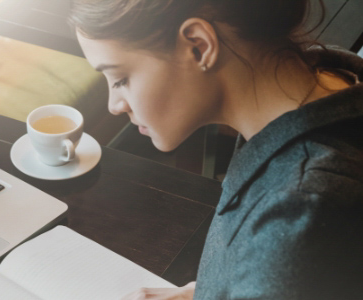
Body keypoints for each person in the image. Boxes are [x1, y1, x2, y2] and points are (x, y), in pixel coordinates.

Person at [69, 0, 363, 299]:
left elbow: (289, 256)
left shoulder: (301, 212)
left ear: (198, 46)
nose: (114, 105)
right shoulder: (328, 76)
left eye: (120, 79)